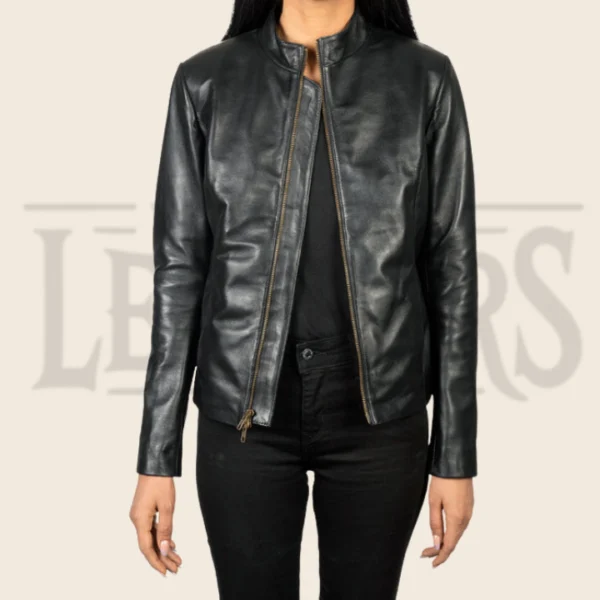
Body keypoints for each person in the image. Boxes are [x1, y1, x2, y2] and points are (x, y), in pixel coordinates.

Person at [129, 0, 478, 597]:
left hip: (379, 416)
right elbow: (180, 270)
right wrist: (156, 457)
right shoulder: (205, 81)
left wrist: (455, 454)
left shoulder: (425, 78)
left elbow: (453, 269)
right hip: (243, 417)